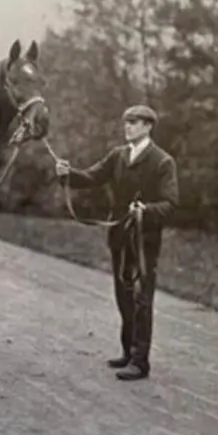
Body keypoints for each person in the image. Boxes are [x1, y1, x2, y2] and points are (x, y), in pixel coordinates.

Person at [54, 104, 179, 380]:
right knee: (123, 295)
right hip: (119, 237)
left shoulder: (162, 162)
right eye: (126, 122)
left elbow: (170, 204)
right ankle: (128, 352)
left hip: (145, 241)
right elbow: (92, 176)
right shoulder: (118, 155)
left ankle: (140, 362)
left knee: (142, 299)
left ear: (148, 126)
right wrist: (67, 174)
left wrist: (146, 210)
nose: (127, 127)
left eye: (134, 122)